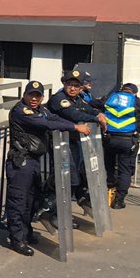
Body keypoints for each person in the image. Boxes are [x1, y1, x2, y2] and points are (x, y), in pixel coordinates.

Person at [5, 81, 90, 255]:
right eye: (31, 94)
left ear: (42, 97)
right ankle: (17, 239)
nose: (34, 98)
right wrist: (75, 127)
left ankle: (26, 233)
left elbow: (55, 119)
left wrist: (86, 120)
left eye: (38, 95)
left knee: (32, 201)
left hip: (34, 162)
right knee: (18, 202)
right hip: (22, 162)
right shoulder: (21, 111)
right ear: (25, 95)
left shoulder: (41, 110)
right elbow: (47, 124)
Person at [93, 82, 140, 210]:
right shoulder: (137, 102)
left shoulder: (110, 98)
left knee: (108, 165)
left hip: (109, 139)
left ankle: (108, 187)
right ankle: (119, 201)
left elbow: (94, 103)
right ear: (135, 93)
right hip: (128, 141)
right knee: (125, 170)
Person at [46, 69, 107, 212]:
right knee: (66, 179)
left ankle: (76, 202)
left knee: (79, 174)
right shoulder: (59, 99)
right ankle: (49, 208)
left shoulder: (77, 99)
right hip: (58, 143)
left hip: (71, 142)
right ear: (64, 84)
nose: (73, 88)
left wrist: (99, 113)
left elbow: (88, 109)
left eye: (77, 86)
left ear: (81, 88)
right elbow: (73, 114)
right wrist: (95, 118)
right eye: (70, 84)